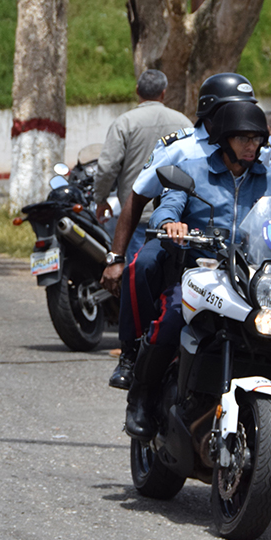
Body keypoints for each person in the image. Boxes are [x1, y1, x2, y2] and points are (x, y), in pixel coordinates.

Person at [123, 101, 271, 438]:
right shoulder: (193, 172)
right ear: (224, 139)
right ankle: (141, 395)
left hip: (252, 276)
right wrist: (171, 223)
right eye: (243, 139)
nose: (251, 146)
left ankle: (266, 416)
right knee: (172, 317)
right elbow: (169, 206)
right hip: (201, 269)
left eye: (256, 139)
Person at [100, 72, 265, 389]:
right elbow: (137, 197)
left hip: (238, 245)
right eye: (236, 107)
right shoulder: (181, 148)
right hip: (180, 239)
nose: (245, 118)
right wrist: (115, 257)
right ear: (212, 112)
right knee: (141, 266)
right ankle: (133, 351)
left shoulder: (256, 148)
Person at [92, 70, 190, 389]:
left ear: (137, 91)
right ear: (163, 92)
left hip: (137, 218)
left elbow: (107, 166)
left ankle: (135, 350)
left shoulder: (125, 123)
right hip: (179, 225)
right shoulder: (184, 123)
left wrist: (99, 199)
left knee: (134, 283)